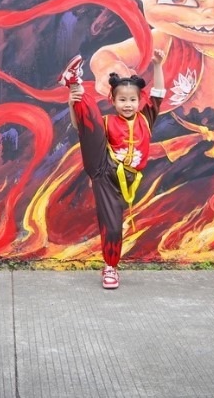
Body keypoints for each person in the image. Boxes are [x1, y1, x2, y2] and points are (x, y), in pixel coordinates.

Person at [58, 49, 165, 289]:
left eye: (132, 100)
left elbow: (158, 93)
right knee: (93, 124)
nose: (127, 104)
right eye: (122, 100)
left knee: (114, 227)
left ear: (139, 100)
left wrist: (158, 65)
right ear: (113, 101)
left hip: (124, 181)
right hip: (103, 169)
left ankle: (111, 266)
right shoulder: (107, 122)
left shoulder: (145, 119)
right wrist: (72, 102)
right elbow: (81, 127)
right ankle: (74, 83)